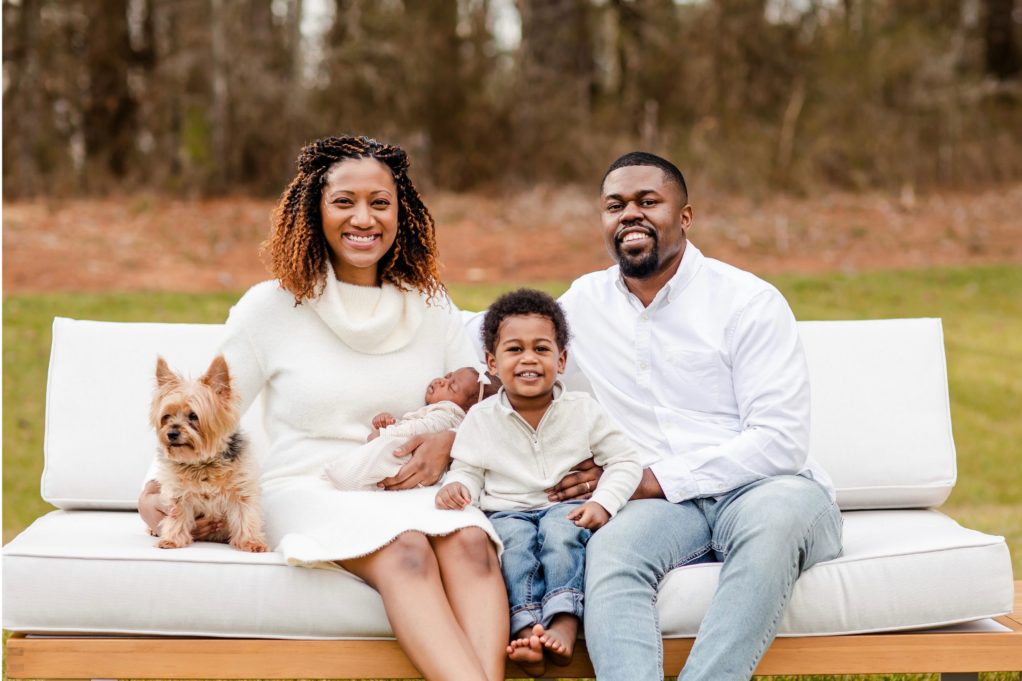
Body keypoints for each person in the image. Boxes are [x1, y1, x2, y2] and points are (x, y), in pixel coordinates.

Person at [139, 136, 509, 681]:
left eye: (380, 202)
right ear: (314, 209)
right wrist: (159, 488)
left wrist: (449, 442)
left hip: (409, 483)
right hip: (307, 485)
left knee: (473, 544)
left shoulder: (431, 302)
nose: (364, 217)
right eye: (344, 201)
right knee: (407, 551)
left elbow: (481, 402)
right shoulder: (271, 307)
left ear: (401, 212)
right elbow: (211, 407)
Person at [536, 152, 844, 680]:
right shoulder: (583, 303)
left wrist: (649, 478)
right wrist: (456, 395)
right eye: (615, 206)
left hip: (768, 489)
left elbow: (780, 441)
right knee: (610, 553)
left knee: (770, 530)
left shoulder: (748, 301)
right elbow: (493, 343)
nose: (629, 214)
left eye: (647, 201)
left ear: (685, 216)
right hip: (665, 508)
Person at [436, 289, 641, 678]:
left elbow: (625, 459)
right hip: (506, 510)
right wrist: (457, 486)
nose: (528, 358)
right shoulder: (481, 418)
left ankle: (564, 620)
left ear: (560, 360)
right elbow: (467, 468)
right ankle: (528, 629)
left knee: (562, 537)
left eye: (541, 349)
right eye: (514, 349)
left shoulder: (582, 410)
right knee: (514, 550)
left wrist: (604, 502)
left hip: (564, 509)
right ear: (492, 363)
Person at [322, 366, 499, 492]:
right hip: (411, 453)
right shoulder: (443, 410)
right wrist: (391, 423)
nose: (441, 381)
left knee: (384, 450)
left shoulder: (451, 413)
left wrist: (386, 432)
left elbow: (420, 428)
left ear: (468, 411)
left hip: (413, 456)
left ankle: (345, 475)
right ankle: (351, 476)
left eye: (451, 386)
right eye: (447, 376)